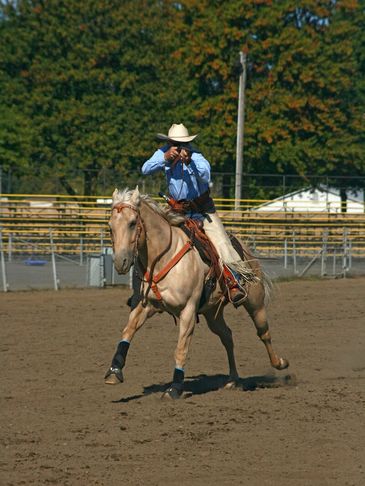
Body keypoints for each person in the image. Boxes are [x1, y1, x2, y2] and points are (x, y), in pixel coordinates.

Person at [141, 123, 254, 307]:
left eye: (180, 144)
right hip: (177, 211)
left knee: (221, 242)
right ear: (169, 143)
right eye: (174, 144)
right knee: (153, 238)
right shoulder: (164, 153)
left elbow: (206, 175)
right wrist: (164, 157)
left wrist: (190, 161)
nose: (177, 148)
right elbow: (145, 169)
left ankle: (233, 282)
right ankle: (147, 285)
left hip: (202, 211)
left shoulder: (197, 157)